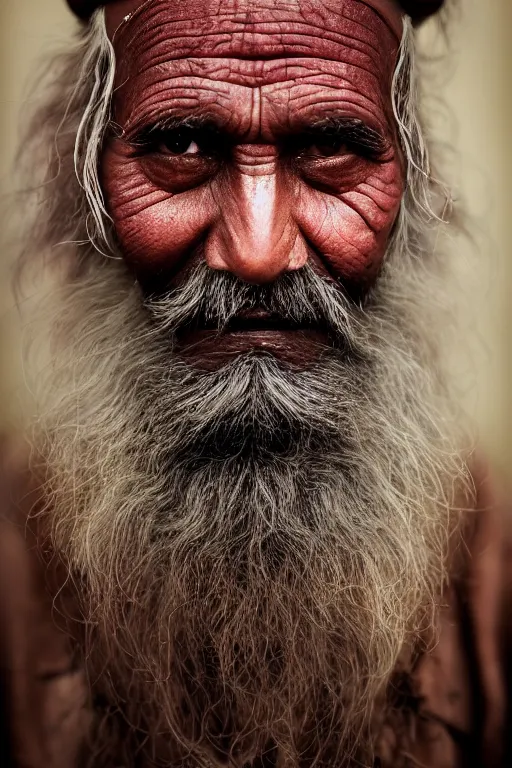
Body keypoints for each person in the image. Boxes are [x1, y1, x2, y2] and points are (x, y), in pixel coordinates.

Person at [1, 0, 510, 765]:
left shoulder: (496, 578)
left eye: (332, 147)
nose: (259, 250)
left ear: (409, 187)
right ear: (90, 186)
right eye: (183, 143)